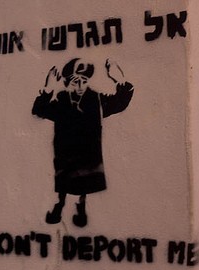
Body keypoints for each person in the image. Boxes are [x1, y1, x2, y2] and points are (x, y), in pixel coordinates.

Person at [32, 58, 134, 227]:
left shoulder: (96, 100)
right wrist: (48, 87)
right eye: (75, 81)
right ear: (67, 83)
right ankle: (60, 206)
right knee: (64, 183)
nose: (80, 86)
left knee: (85, 183)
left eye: (84, 81)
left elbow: (119, 103)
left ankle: (81, 208)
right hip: (66, 155)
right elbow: (39, 110)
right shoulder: (61, 101)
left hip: (88, 155)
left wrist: (119, 79)